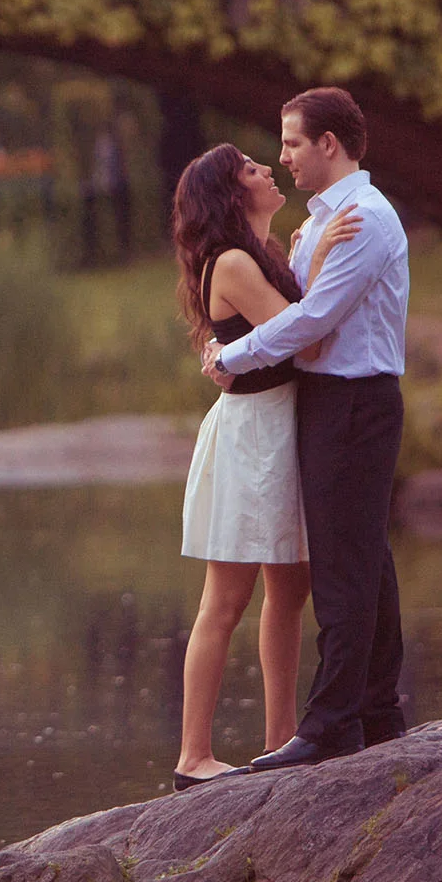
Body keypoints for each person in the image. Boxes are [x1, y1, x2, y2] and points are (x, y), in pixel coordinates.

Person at [205, 87, 411, 771]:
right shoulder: (327, 219)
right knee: (363, 558)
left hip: (354, 401)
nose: (283, 154)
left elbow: (313, 320)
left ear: (329, 144)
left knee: (345, 567)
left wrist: (226, 356)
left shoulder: (365, 218)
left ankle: (331, 726)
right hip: (333, 402)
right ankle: (377, 712)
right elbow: (304, 300)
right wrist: (304, 258)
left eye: (292, 141)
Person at [170, 143, 358, 789]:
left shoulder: (262, 253)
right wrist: (329, 253)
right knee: (226, 599)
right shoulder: (231, 262)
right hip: (254, 437)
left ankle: (281, 739)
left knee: (290, 591)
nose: (268, 170)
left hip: (280, 428)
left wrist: (309, 249)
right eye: (251, 168)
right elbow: (299, 334)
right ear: (230, 193)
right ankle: (193, 758)